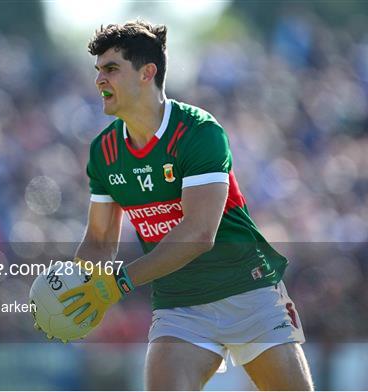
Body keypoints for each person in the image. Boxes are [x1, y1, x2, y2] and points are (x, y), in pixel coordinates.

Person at [58, 20, 314, 390]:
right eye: (98, 71)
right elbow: (99, 239)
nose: (99, 80)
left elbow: (197, 234)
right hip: (180, 305)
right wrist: (72, 291)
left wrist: (117, 284)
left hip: (247, 290)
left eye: (111, 69)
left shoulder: (198, 132)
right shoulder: (104, 151)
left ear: (148, 73)